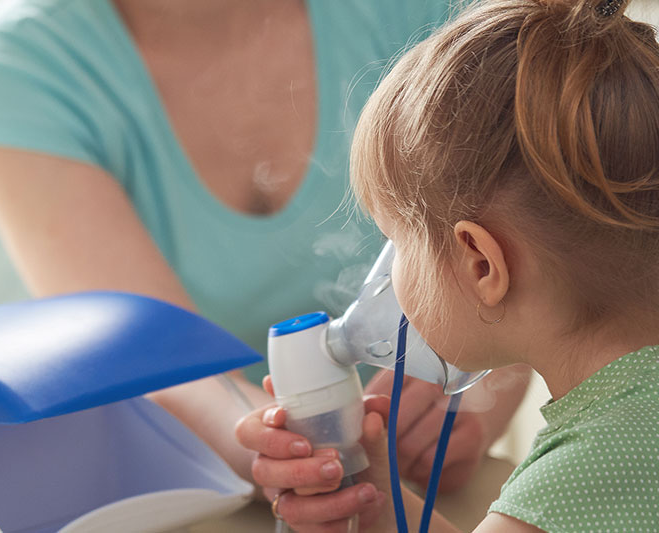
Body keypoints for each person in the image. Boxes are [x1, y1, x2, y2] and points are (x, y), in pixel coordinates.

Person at [0, 0, 527, 492]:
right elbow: (150, 361)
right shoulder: (23, 70)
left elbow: (543, 255)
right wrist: (287, 451)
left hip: (427, 488)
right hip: (199, 498)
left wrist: (481, 381)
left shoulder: (425, 12)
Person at [236, 0, 659, 530]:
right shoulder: (629, 422)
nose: (387, 274)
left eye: (398, 242)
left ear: (482, 264)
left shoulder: (576, 479)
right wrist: (376, 501)